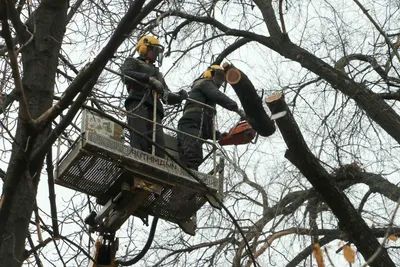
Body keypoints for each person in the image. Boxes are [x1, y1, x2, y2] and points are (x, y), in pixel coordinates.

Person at [121, 35, 188, 158]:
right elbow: (126, 74)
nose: (157, 55)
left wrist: (179, 96)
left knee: (158, 144)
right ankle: (138, 162)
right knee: (139, 137)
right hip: (138, 102)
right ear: (144, 49)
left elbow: (166, 95)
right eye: (155, 51)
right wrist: (149, 79)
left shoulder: (158, 73)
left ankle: (156, 166)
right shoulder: (133, 61)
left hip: (155, 108)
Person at [177, 65, 246, 170]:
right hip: (189, 123)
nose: (220, 81)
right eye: (219, 77)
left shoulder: (206, 108)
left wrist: (218, 135)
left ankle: (190, 179)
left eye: (222, 79)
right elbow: (218, 96)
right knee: (192, 155)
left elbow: (206, 128)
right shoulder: (205, 83)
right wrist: (237, 109)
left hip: (193, 124)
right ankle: (191, 179)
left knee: (192, 157)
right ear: (210, 74)